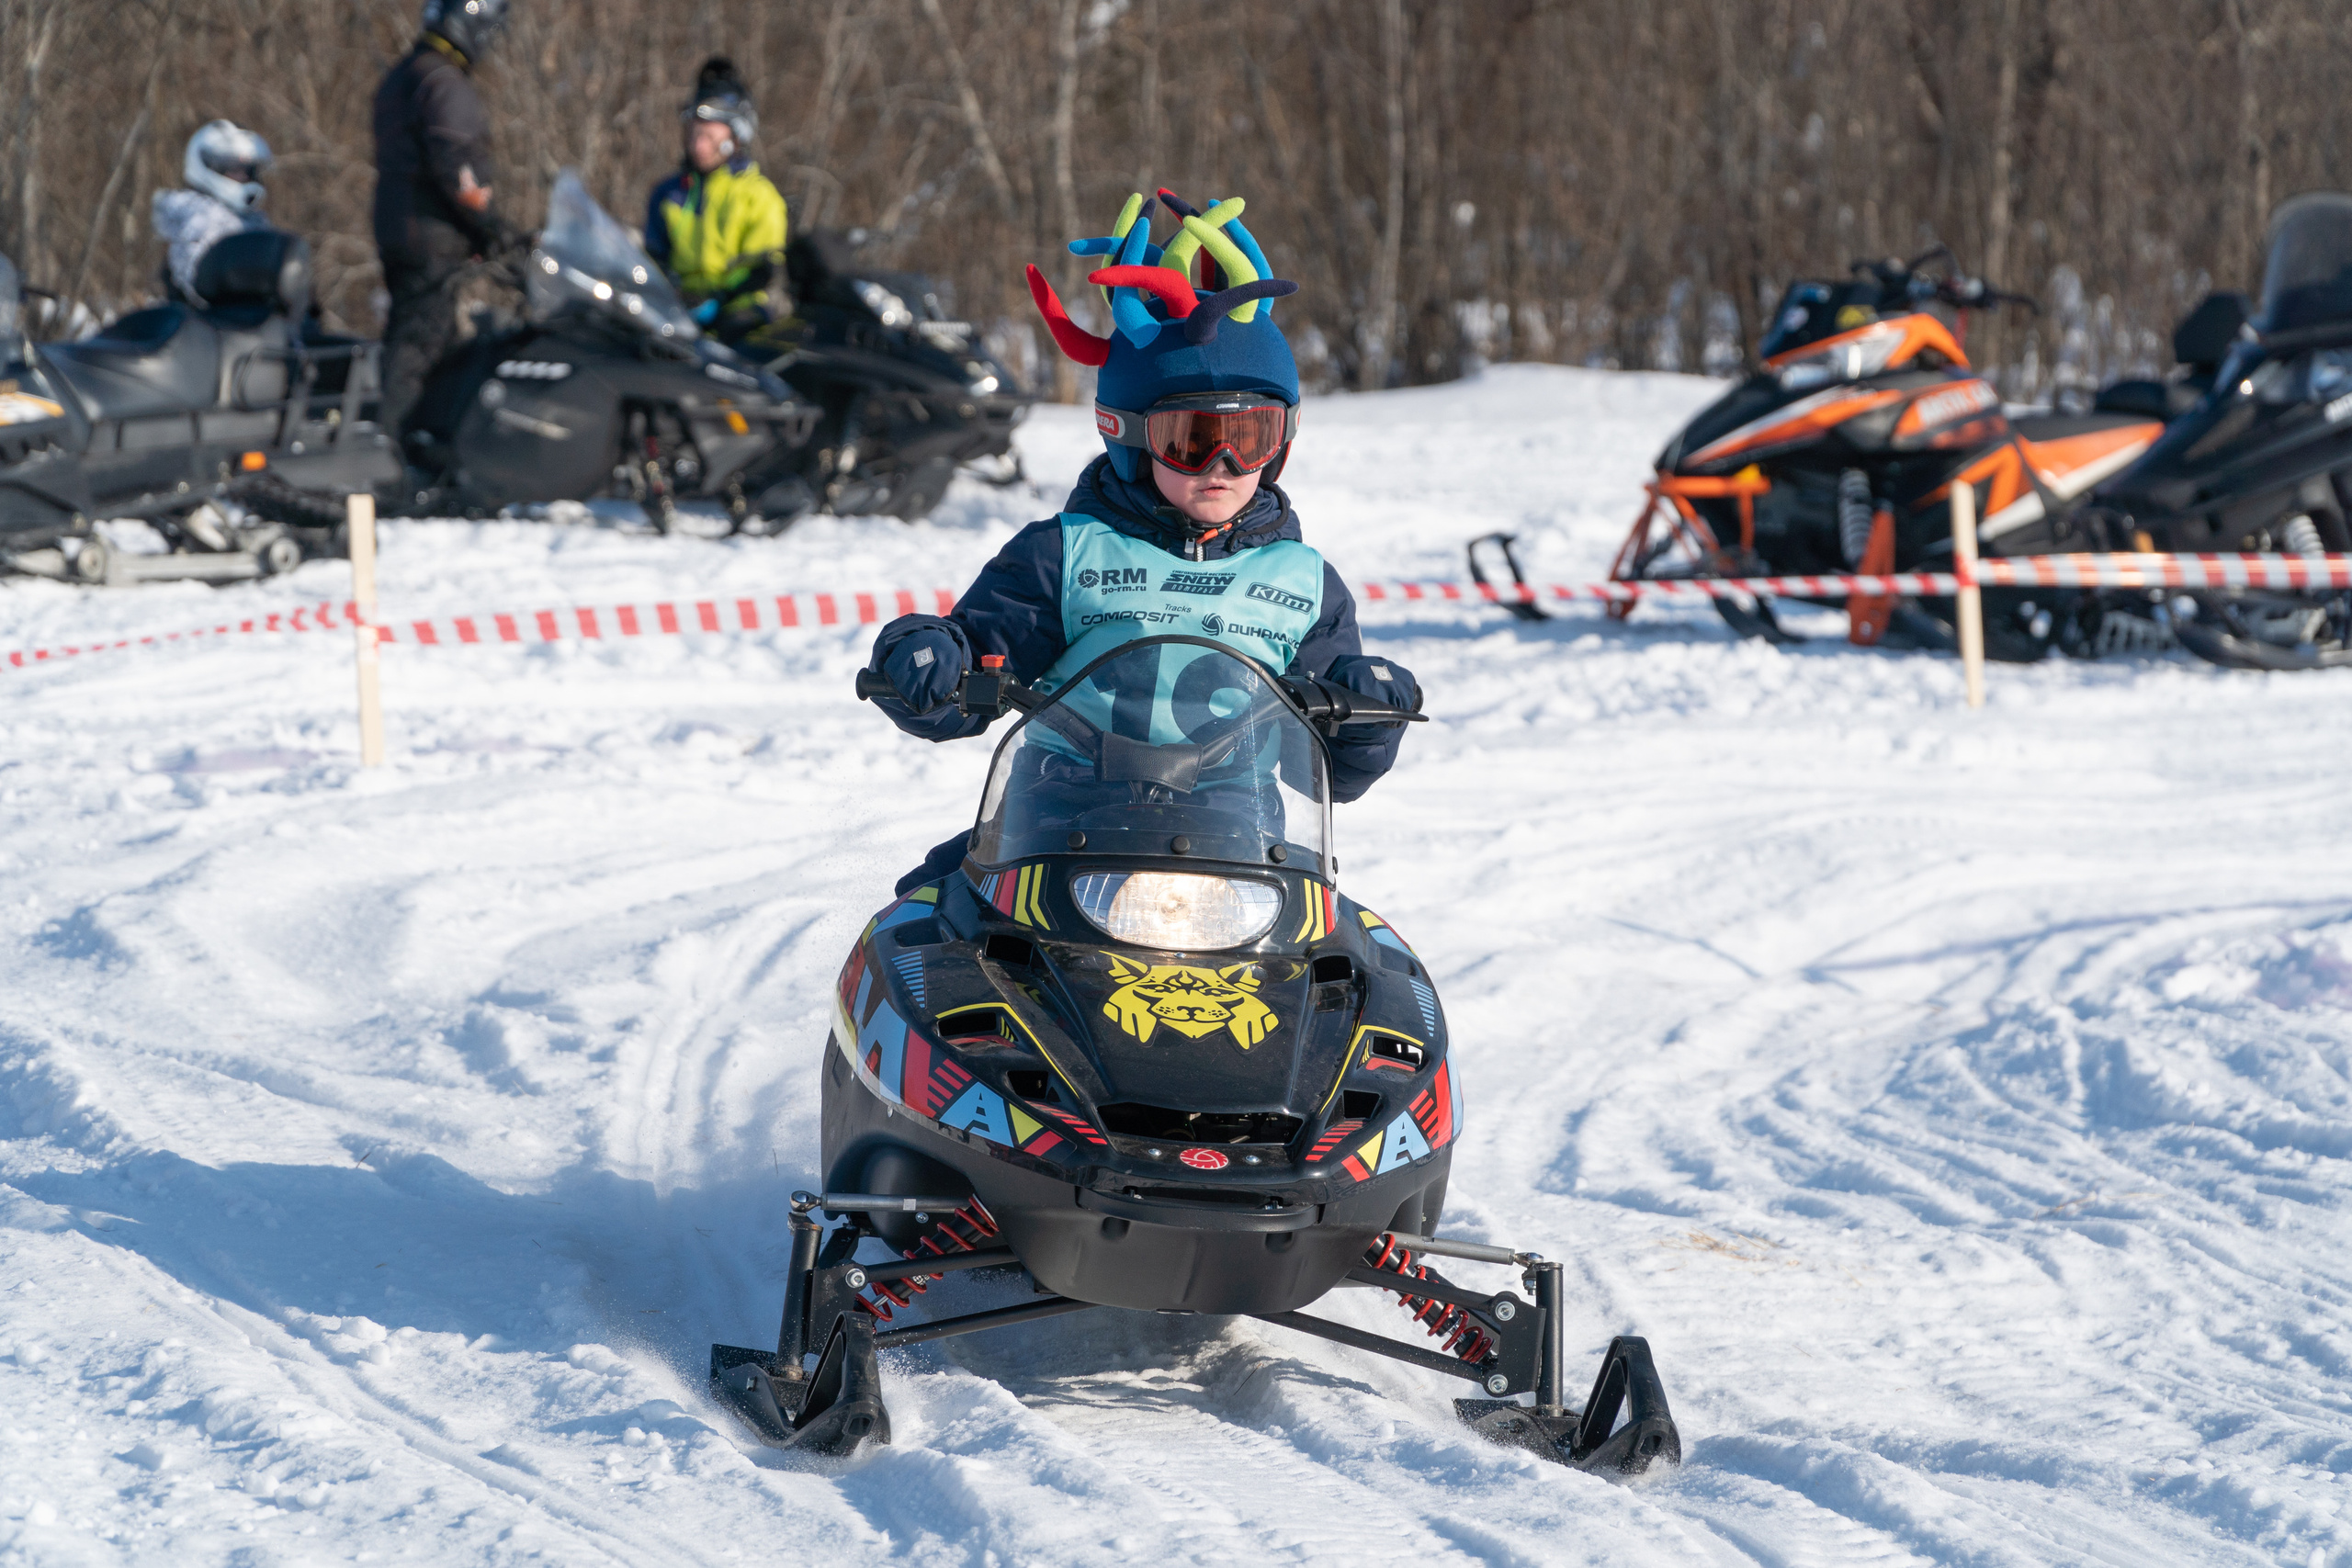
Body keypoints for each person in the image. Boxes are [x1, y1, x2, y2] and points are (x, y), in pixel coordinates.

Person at [866, 188, 1421, 892]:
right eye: (1190, 441)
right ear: (1128, 436)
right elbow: (976, 655)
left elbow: (1332, 771)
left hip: (1241, 858)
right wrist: (932, 657)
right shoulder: (1066, 555)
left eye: (1248, 438)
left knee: (1357, 953)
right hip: (1054, 835)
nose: (1222, 465)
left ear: (1282, 441)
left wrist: (1366, 713)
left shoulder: (1304, 584)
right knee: (925, 916)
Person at [371, 0, 515, 441]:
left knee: (442, 346)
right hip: (429, 238)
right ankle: (390, 449)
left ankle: (430, 446)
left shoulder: (404, 74)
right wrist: (491, 228)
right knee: (420, 346)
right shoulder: (443, 82)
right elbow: (459, 168)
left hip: (400, 231)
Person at [645, 57, 787, 339]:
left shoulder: (758, 197)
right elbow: (653, 258)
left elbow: (764, 270)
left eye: (709, 137)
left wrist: (720, 300)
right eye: (694, 134)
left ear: (735, 137)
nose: (699, 146)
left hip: (741, 321)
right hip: (677, 317)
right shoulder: (669, 193)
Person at [151, 121, 273, 307]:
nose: (244, 177)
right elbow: (197, 283)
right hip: (206, 320)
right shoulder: (195, 219)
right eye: (234, 169)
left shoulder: (255, 222)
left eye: (248, 170)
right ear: (211, 166)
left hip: (255, 319)